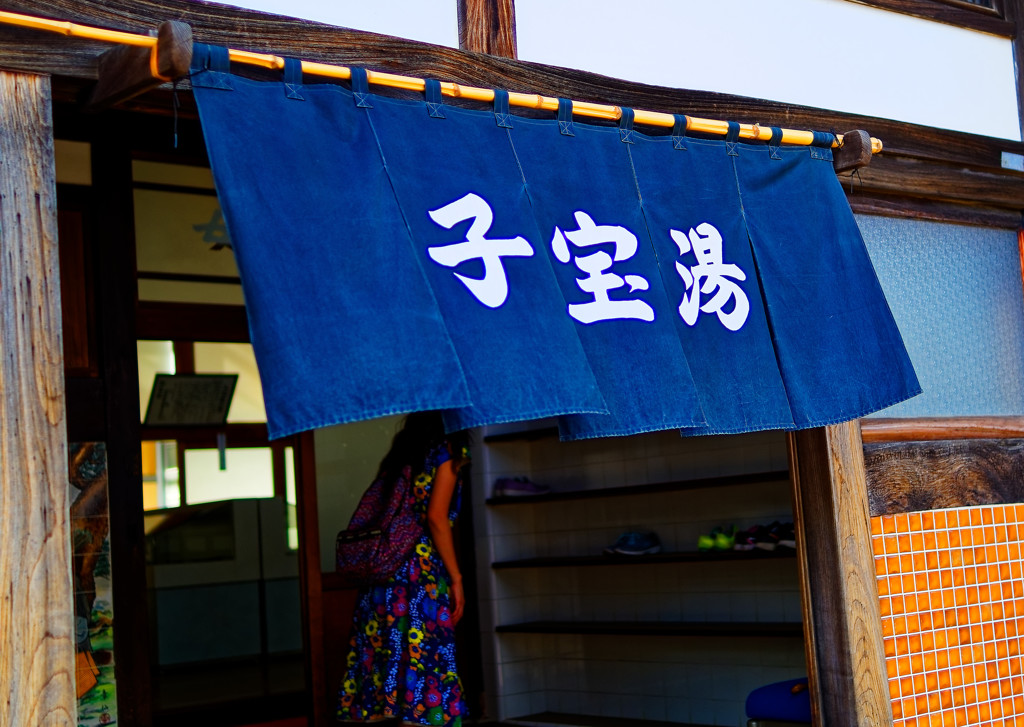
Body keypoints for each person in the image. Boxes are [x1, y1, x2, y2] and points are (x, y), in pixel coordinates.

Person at [338, 412, 471, 727]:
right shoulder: (446, 452)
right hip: (417, 574)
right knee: (424, 660)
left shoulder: (404, 451)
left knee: (382, 661)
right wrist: (456, 577)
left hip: (384, 572)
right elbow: (437, 518)